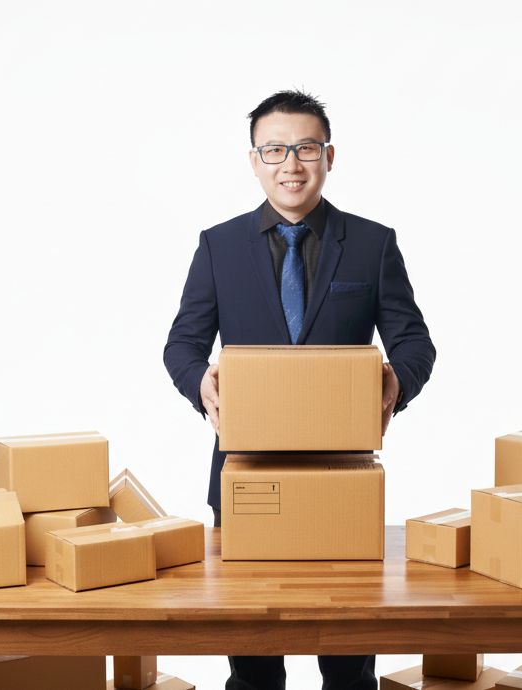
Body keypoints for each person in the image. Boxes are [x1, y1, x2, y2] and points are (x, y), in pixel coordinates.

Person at [164, 89, 435, 690]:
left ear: (329, 156)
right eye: (275, 149)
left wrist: (396, 381)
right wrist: (200, 383)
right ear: (254, 161)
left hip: (342, 478)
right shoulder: (219, 245)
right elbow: (181, 345)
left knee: (348, 668)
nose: (291, 162)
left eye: (306, 147)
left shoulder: (372, 243)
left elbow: (416, 342)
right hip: (244, 475)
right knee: (255, 666)